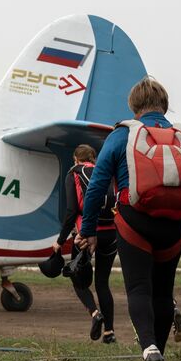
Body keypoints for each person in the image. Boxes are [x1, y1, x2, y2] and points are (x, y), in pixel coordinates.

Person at [78, 77, 181, 361]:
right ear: (165, 106)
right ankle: (159, 352)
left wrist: (88, 230)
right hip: (174, 228)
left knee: (139, 288)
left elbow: (97, 186)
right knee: (164, 291)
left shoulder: (121, 136)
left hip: (134, 223)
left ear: (133, 107)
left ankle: (149, 348)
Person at [56, 144, 118, 343]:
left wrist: (60, 240)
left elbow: (72, 210)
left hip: (87, 234)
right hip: (111, 234)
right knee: (102, 282)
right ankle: (109, 332)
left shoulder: (73, 174)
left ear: (76, 159)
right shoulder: (105, 173)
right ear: (94, 158)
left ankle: (94, 313)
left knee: (78, 279)